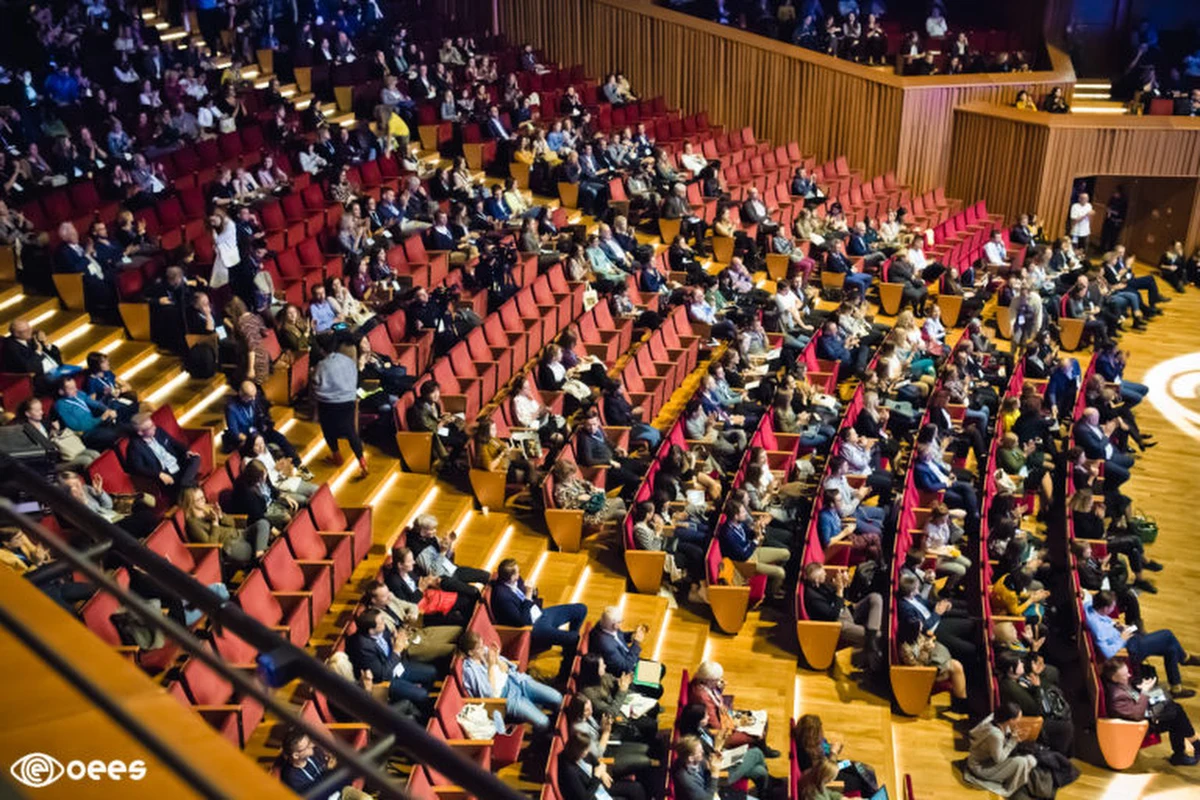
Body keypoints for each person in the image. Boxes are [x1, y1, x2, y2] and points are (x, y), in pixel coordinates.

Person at [1085, 590, 1200, 699]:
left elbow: (1087, 597)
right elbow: (1107, 652)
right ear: (1105, 608)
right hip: (1131, 649)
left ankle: (1176, 688)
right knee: (1167, 635)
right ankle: (1184, 658)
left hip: (1129, 637)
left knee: (1171, 648)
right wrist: (1121, 638)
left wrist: (1116, 626)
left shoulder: (1090, 607)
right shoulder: (1098, 629)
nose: (1114, 608)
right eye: (1112, 606)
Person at [490, 558, 587, 682]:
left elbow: (531, 597)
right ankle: (564, 675)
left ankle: (568, 650)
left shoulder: (516, 580)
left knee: (581, 609)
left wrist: (533, 592)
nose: (519, 575)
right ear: (512, 577)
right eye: (518, 572)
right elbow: (522, 622)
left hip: (540, 613)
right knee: (574, 638)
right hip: (534, 627)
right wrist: (528, 596)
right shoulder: (502, 597)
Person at [1103, 657, 1200, 766]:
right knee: (1176, 713)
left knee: (1172, 707)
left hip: (1143, 707)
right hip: (1140, 724)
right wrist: (1145, 691)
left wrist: (1142, 687)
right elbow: (1137, 715)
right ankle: (1191, 747)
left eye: (1127, 672)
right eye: (1125, 675)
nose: (1129, 675)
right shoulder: (1117, 697)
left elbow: (1133, 696)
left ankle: (1182, 753)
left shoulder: (1119, 683)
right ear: (1114, 678)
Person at [459, 630, 563, 731]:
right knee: (543, 722)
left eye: (482, 644)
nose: (483, 648)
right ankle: (550, 732)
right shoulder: (470, 671)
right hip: (506, 697)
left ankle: (558, 719)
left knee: (557, 698)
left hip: (516, 680)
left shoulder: (484, 652)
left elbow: (508, 669)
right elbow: (489, 694)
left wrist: (497, 658)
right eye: (479, 648)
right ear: (471, 652)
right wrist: (491, 666)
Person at [346, 608, 438, 713]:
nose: (384, 622)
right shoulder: (363, 647)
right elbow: (383, 674)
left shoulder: (382, 628)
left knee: (432, 672)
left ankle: (419, 701)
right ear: (371, 630)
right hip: (388, 680)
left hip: (397, 665)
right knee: (422, 695)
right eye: (381, 622)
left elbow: (391, 644)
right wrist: (396, 651)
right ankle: (422, 710)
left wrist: (397, 639)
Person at [801, 562, 883, 660]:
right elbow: (833, 615)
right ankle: (870, 644)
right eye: (823, 574)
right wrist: (839, 590)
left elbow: (843, 599)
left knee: (875, 598)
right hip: (840, 624)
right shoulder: (813, 598)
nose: (826, 574)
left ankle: (870, 641)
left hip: (847, 611)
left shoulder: (822, 584)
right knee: (879, 636)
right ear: (817, 580)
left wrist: (844, 585)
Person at [312, 342, 367, 476]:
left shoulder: (322, 365)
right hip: (348, 400)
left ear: (323, 350)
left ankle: (337, 456)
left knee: (328, 429)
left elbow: (316, 381)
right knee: (350, 431)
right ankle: (362, 461)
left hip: (328, 403)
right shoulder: (348, 361)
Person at [180, 485, 271, 564]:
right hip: (229, 546)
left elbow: (232, 523)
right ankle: (260, 555)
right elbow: (211, 545)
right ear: (190, 503)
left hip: (239, 534)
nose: (203, 501)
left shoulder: (208, 508)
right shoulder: (193, 524)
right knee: (253, 547)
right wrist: (215, 523)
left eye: (203, 497)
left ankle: (259, 555)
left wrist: (221, 516)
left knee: (263, 523)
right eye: (199, 500)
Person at [963, 703, 1039, 797]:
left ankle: (1017, 782)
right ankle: (1010, 791)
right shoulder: (995, 735)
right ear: (1010, 720)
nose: (1019, 721)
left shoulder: (997, 721)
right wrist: (1012, 741)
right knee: (1022, 762)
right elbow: (999, 759)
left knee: (1031, 760)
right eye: (1018, 718)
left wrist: (1012, 737)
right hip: (980, 768)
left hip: (988, 760)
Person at [588, 606, 665, 698]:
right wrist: (636, 643)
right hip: (625, 674)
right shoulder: (606, 645)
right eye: (620, 621)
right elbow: (625, 667)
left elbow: (620, 636)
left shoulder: (605, 625)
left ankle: (649, 684)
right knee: (658, 689)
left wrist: (632, 635)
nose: (622, 623)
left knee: (661, 668)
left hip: (629, 659)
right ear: (614, 625)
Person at [278, 729, 372, 799]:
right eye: (307, 746)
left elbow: (326, 766)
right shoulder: (292, 778)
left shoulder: (314, 753)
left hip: (339, 790)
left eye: (310, 742)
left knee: (366, 798)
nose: (312, 745)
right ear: (296, 755)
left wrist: (331, 765)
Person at [126, 412, 201, 498]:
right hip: (168, 475)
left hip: (178, 464)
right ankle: (187, 484)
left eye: (153, 424)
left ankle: (185, 483)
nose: (154, 427)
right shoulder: (135, 447)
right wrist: (159, 474)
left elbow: (173, 442)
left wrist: (186, 451)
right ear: (140, 432)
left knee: (195, 458)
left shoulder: (158, 431)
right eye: (150, 427)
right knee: (187, 488)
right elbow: (138, 468)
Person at [559, 730, 645, 800]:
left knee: (636, 788)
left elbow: (594, 760)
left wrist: (602, 772)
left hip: (599, 785)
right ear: (577, 750)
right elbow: (585, 798)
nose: (588, 752)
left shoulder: (578, 752)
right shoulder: (570, 771)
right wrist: (597, 776)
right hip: (594, 793)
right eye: (585, 750)